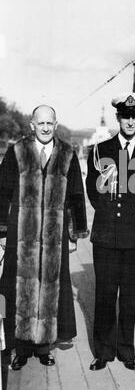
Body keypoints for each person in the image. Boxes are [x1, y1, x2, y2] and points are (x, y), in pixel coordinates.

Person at [0, 105, 88, 370]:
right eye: (41, 123)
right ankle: (22, 348)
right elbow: (2, 192)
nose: (46, 128)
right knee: (22, 288)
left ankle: (43, 347)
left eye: (50, 123)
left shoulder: (67, 154)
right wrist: (2, 231)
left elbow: (75, 195)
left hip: (53, 235)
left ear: (56, 124)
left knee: (50, 287)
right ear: (32, 125)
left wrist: (74, 234)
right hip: (22, 234)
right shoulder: (17, 151)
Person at [86, 92, 135, 371]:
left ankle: (127, 351)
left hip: (134, 236)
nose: (130, 121)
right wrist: (110, 213)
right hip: (106, 234)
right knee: (105, 295)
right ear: (118, 118)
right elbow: (93, 192)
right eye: (126, 116)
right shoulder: (99, 150)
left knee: (130, 295)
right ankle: (103, 351)